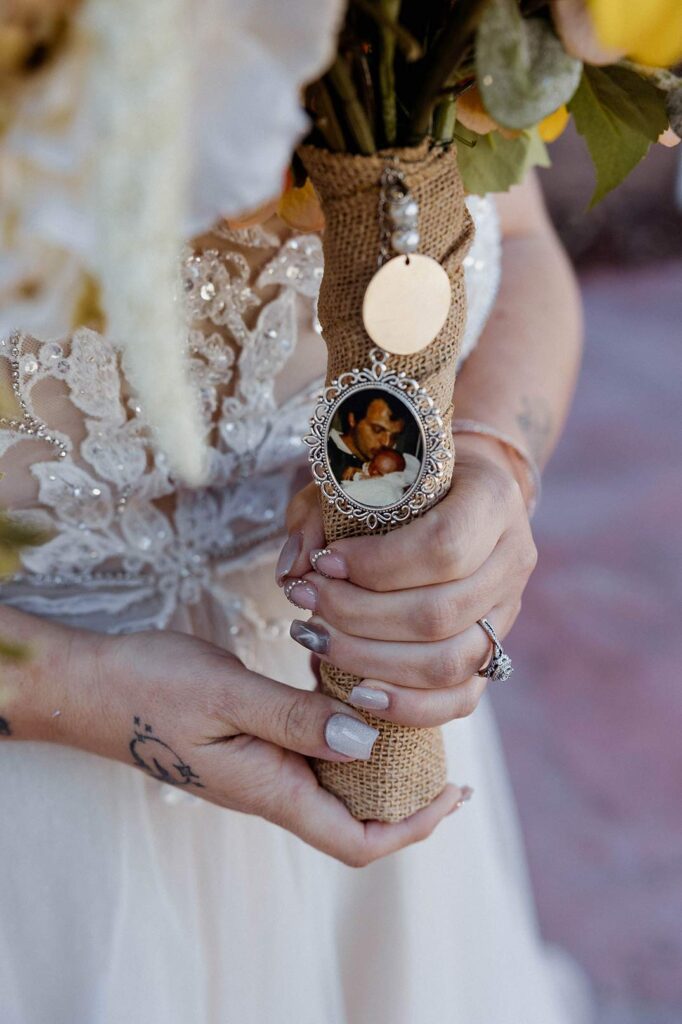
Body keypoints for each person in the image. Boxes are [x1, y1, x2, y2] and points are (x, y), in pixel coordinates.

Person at [0, 8, 589, 1022]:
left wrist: (497, 457)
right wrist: (69, 691)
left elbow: (521, 241)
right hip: (46, 845)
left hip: (379, 767)